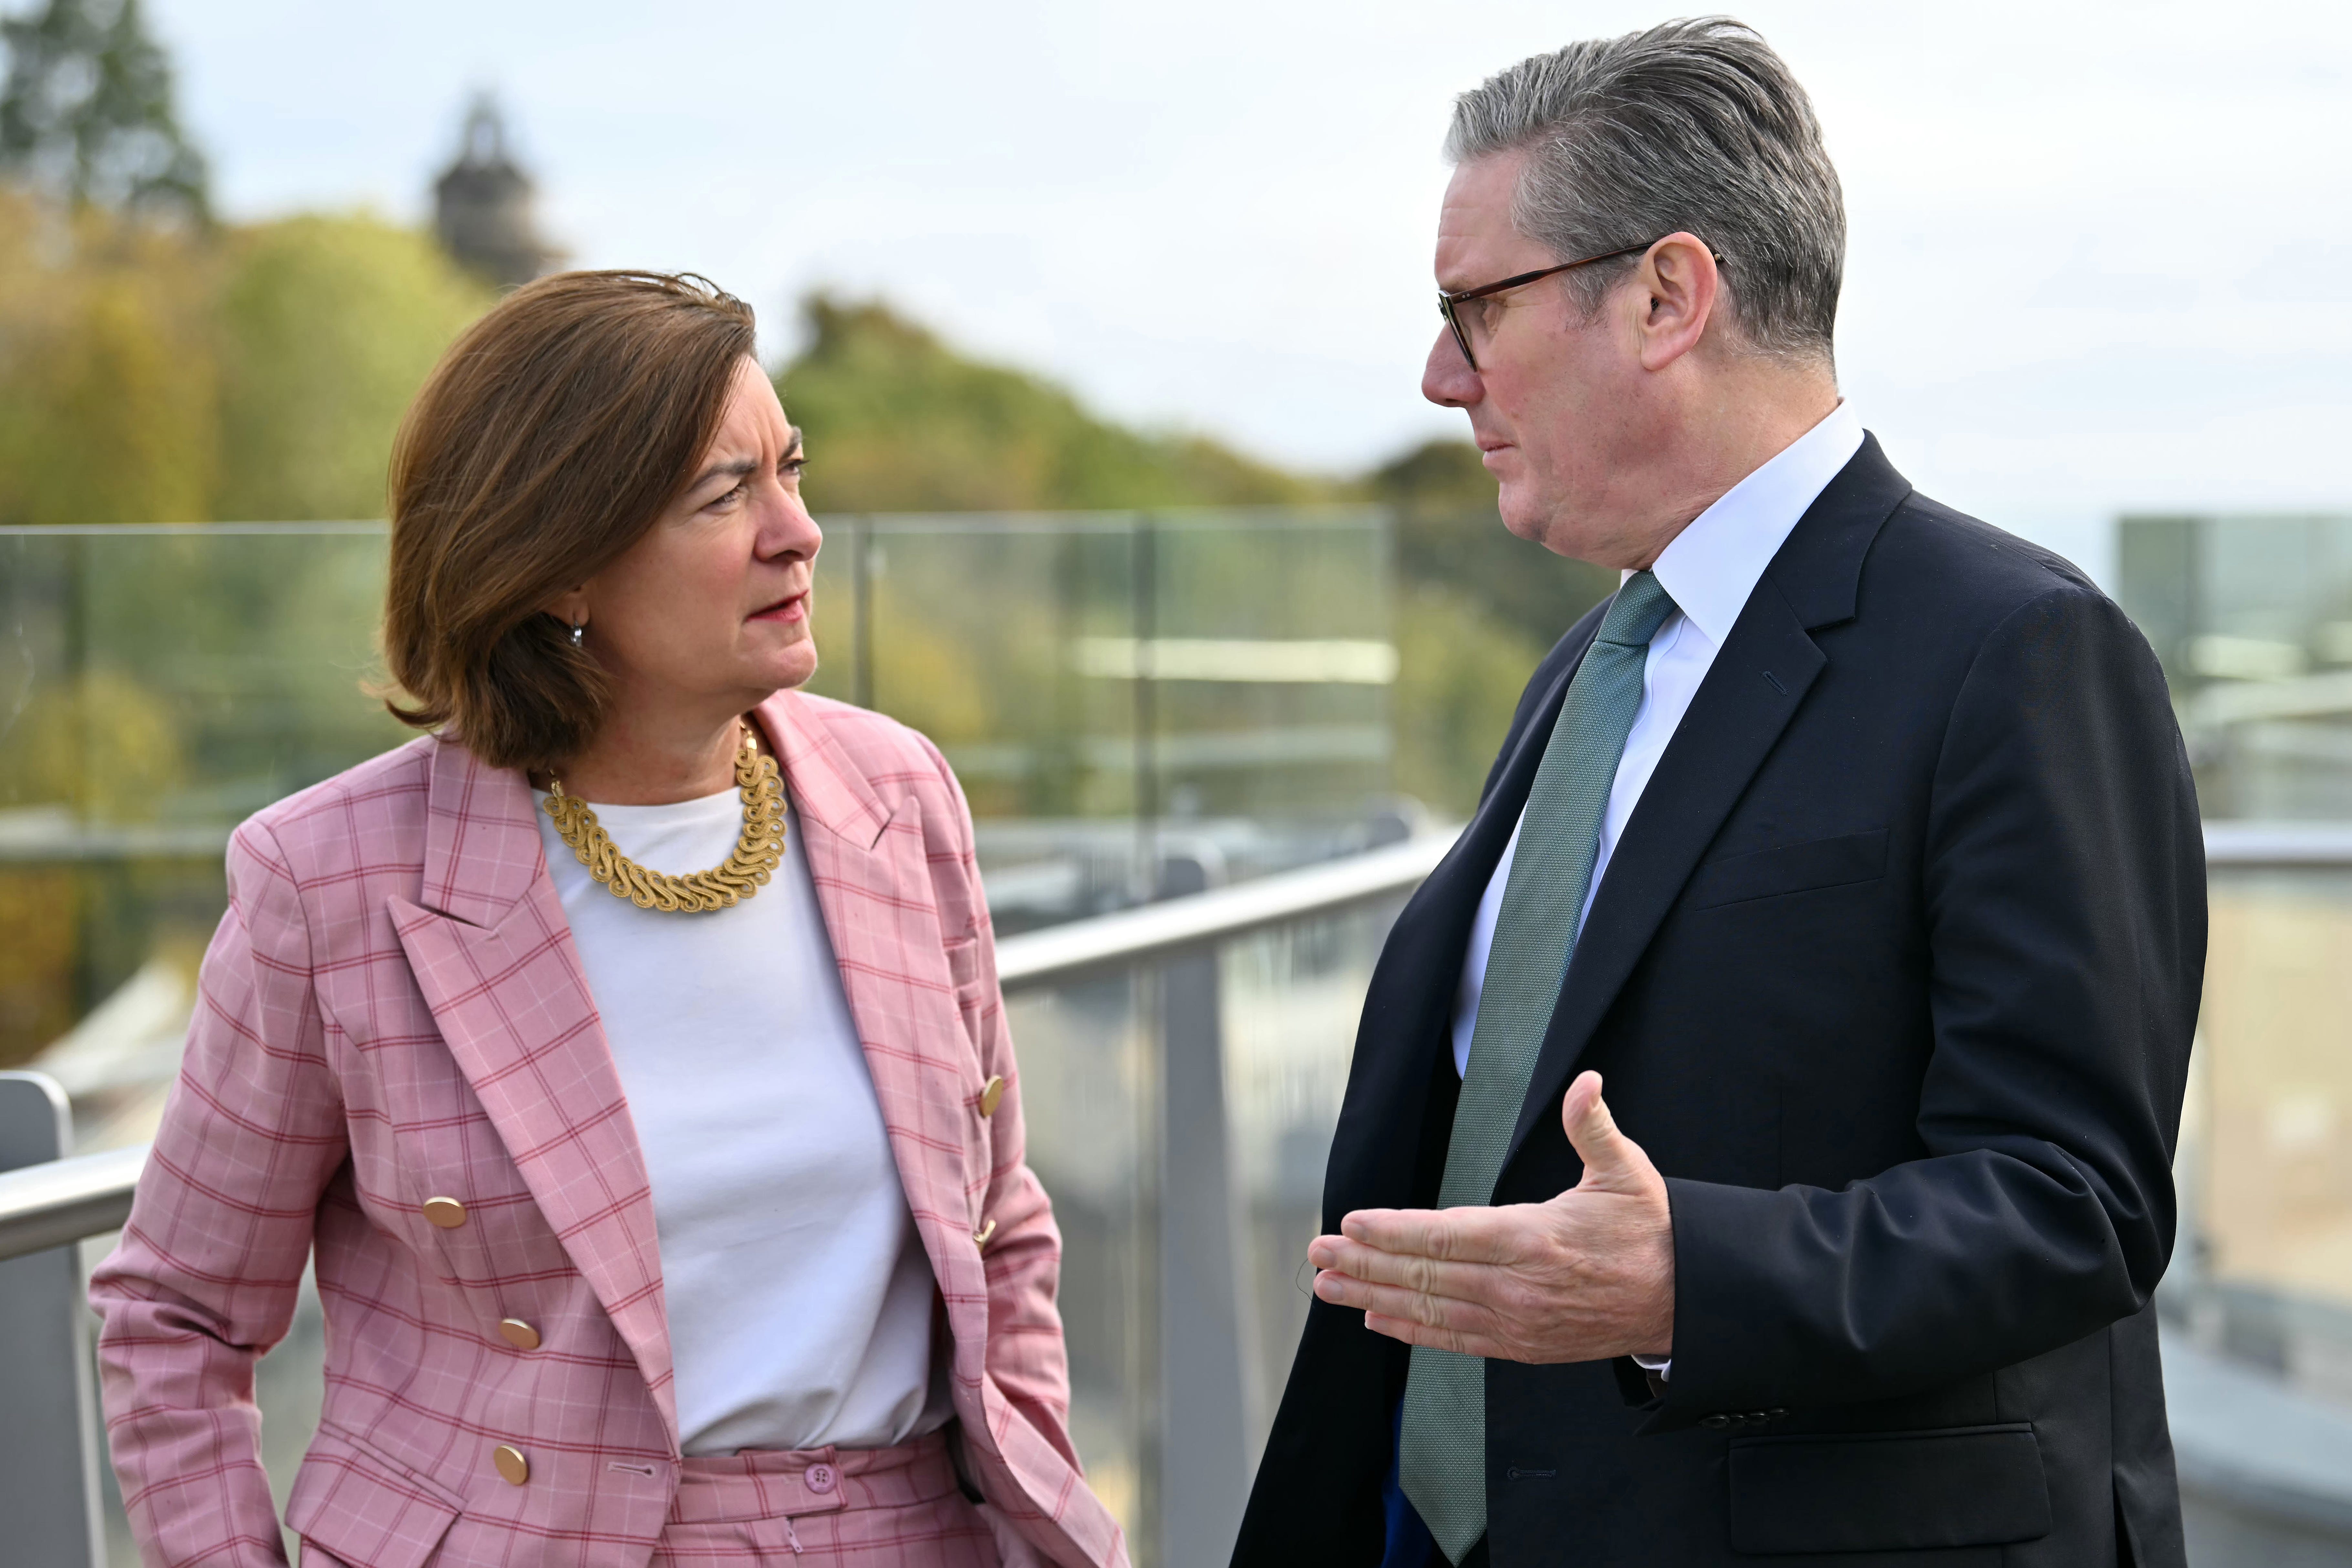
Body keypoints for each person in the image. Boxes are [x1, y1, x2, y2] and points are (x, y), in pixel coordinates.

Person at [1234, 21, 2200, 1568]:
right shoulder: (1592, 666)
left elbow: (2073, 1199)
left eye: (1477, 308)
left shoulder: (2017, 648)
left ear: (1667, 297)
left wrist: (1691, 1276)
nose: (1440, 375)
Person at [90, 272, 1125, 1568]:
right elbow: (176, 1318)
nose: (799, 532)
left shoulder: (899, 798)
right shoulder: (332, 880)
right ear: (561, 567)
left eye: (792, 471)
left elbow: (1000, 1225)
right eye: (724, 494)